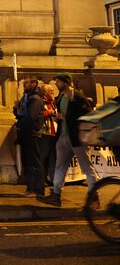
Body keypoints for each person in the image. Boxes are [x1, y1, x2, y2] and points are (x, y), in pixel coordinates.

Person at [40, 74, 99, 207]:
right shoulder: (61, 96)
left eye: (59, 82)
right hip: (64, 136)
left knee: (87, 168)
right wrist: (58, 118)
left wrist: (65, 116)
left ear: (66, 82)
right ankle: (56, 195)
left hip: (77, 138)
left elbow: (87, 114)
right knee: (60, 166)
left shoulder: (77, 96)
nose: (56, 84)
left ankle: (94, 197)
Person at [13, 77, 45, 198]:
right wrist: (16, 108)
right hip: (25, 133)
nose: (24, 85)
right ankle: (30, 186)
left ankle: (37, 189)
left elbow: (31, 117)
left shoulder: (35, 99)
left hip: (32, 133)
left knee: (34, 162)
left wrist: (20, 123)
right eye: (24, 82)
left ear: (33, 84)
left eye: (26, 83)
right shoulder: (25, 97)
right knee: (27, 162)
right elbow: (20, 114)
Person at [39, 82, 58, 185]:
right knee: (43, 156)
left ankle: (51, 178)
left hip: (53, 133)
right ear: (45, 92)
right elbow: (37, 115)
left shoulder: (52, 102)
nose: (53, 92)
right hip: (44, 133)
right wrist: (49, 113)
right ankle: (41, 179)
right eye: (51, 91)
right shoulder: (40, 102)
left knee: (52, 156)